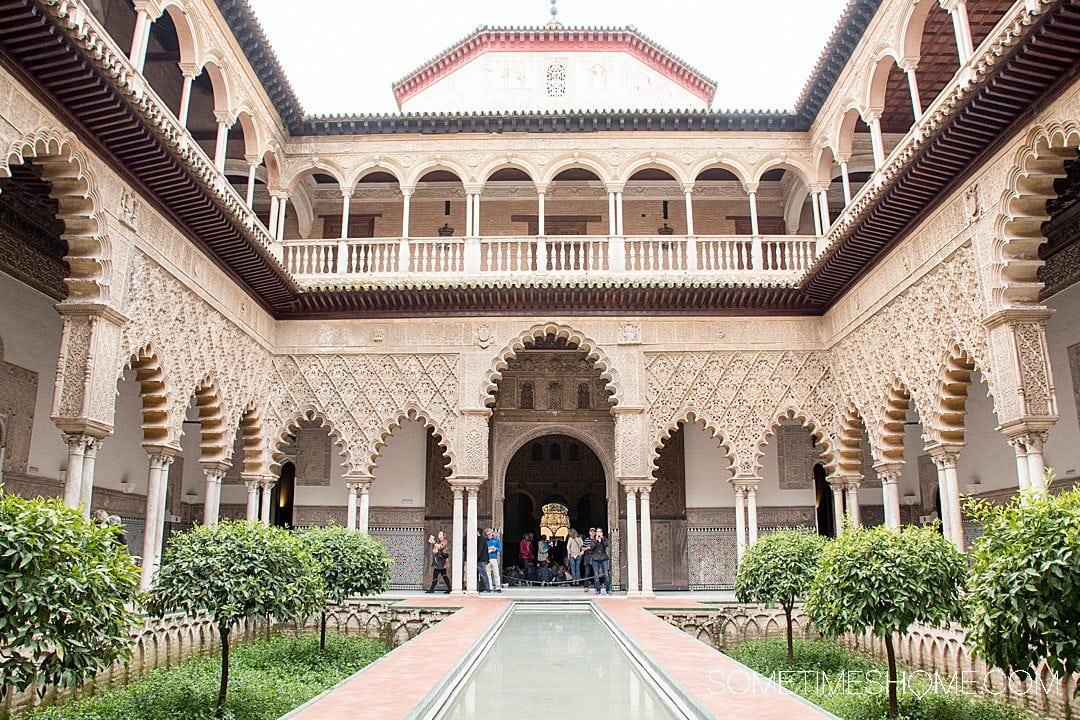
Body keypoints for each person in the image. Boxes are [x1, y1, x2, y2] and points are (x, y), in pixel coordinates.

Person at [592, 528, 611, 595]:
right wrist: (596, 540)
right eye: (598, 532)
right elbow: (592, 547)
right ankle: (598, 589)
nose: (599, 533)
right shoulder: (594, 540)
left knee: (606, 574)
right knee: (596, 575)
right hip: (595, 558)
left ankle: (608, 589)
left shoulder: (604, 539)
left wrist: (602, 539)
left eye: (600, 531)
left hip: (603, 557)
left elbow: (606, 545)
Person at [581, 528, 597, 593]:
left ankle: (597, 586)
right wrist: (588, 548)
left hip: (595, 557)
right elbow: (582, 548)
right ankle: (586, 586)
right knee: (587, 573)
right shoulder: (587, 540)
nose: (592, 533)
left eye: (594, 532)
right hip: (587, 557)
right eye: (591, 531)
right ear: (589, 532)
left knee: (595, 572)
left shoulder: (597, 540)